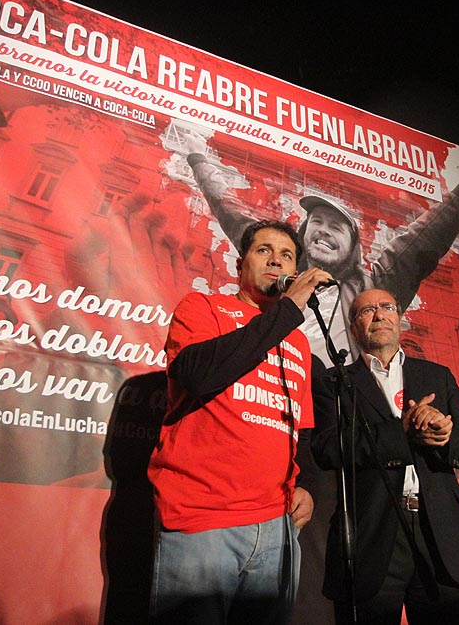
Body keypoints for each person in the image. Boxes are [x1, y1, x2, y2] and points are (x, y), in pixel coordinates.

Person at [146, 219, 334, 624]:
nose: (276, 261)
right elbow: (197, 375)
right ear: (240, 263)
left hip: (277, 525)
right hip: (203, 516)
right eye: (264, 250)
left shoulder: (298, 342)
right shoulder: (203, 307)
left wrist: (305, 485)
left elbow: (299, 429)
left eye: (287, 256)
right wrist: (285, 313)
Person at [183, 131, 459, 364]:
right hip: (273, 401)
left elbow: (423, 240)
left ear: (353, 245)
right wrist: (197, 158)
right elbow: (231, 211)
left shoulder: (372, 285)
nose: (324, 232)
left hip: (337, 412)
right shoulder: (277, 271)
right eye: (317, 222)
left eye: (337, 226)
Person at [311, 288, 459, 625]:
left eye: (386, 307)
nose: (378, 315)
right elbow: (327, 449)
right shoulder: (334, 383)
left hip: (441, 535)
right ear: (353, 326)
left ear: (400, 318)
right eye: (366, 311)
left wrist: (443, 437)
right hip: (371, 536)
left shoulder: (437, 376)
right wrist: (400, 432)